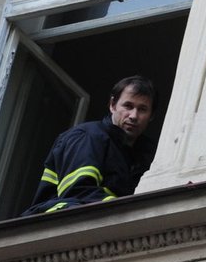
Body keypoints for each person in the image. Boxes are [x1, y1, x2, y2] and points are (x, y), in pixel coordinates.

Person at [22, 76, 158, 215]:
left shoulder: (147, 155)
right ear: (112, 105)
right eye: (128, 106)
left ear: (151, 116)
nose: (133, 116)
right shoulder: (88, 137)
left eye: (142, 109)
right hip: (59, 224)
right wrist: (128, 213)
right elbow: (79, 192)